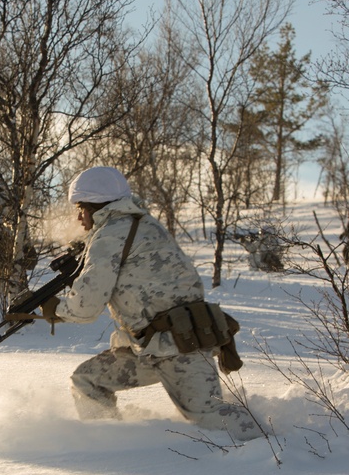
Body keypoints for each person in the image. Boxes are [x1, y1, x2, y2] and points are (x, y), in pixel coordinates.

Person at [39, 166, 261, 439]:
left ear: (95, 207)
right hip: (151, 346)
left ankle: (276, 450)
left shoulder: (111, 235)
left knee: (210, 417)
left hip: (180, 346)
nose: (78, 217)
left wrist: (55, 309)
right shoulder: (138, 223)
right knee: (88, 379)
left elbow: (85, 308)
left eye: (81, 208)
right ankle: (105, 442)